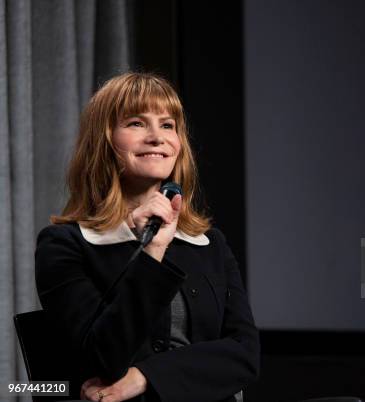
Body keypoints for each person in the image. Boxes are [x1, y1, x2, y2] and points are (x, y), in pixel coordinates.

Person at [34, 72, 259, 402]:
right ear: (105, 140)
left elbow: (245, 354)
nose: (157, 137)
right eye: (137, 123)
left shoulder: (211, 243)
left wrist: (145, 377)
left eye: (168, 125)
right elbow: (104, 356)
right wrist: (152, 251)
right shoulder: (64, 245)